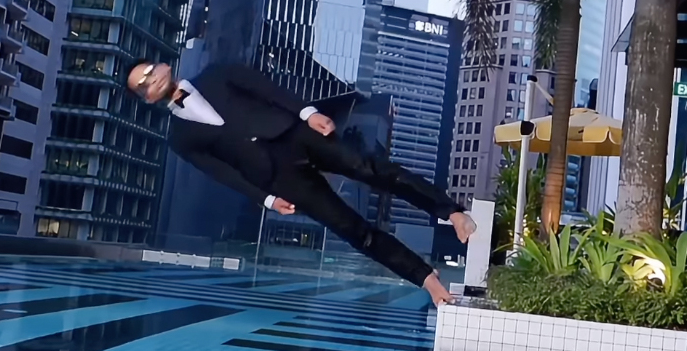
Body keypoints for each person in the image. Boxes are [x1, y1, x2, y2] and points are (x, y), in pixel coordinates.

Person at [126, 61, 476, 306]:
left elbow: (268, 89)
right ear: (147, 98)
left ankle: (451, 211)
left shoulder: (217, 72)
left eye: (149, 72)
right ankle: (427, 280)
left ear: (163, 66)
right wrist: (266, 199)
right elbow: (222, 173)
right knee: (351, 229)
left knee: (370, 169)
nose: (150, 81)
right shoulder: (180, 138)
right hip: (276, 177)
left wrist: (308, 113)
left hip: (293, 133)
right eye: (142, 86)